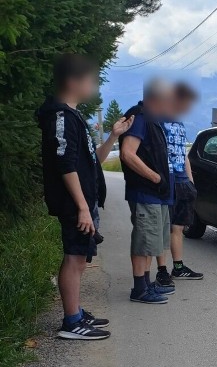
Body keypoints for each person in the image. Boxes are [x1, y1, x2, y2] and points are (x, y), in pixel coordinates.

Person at [37, 54, 133, 340]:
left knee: (80, 258)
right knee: (74, 257)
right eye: (90, 80)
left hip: (83, 202)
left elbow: (93, 163)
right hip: (73, 203)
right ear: (72, 82)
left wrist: (113, 136)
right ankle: (71, 322)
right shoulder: (61, 117)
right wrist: (81, 207)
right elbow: (65, 165)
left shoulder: (74, 116)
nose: (94, 86)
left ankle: (76, 312)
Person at [119, 79, 175, 304]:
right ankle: (139, 289)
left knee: (152, 242)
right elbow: (127, 153)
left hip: (157, 194)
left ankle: (147, 283)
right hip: (146, 192)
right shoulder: (140, 117)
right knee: (144, 241)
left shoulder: (153, 119)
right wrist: (155, 177)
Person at [155, 81, 203, 287]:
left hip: (183, 181)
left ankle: (179, 267)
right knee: (164, 226)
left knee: (178, 227)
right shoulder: (157, 122)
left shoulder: (179, 125)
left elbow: (184, 155)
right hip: (167, 181)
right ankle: (161, 271)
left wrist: (191, 181)